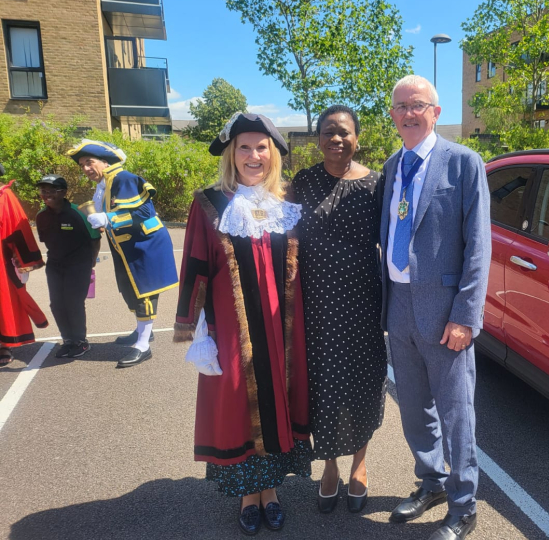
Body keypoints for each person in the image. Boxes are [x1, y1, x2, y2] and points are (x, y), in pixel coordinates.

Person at [173, 113, 312, 536]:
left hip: (281, 328)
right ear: (231, 154)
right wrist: (193, 327)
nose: (254, 155)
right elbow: (195, 263)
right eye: (245, 147)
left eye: (262, 147)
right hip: (233, 329)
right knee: (239, 406)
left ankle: (270, 491)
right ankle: (247, 496)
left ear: (274, 154)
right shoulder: (210, 203)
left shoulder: (285, 201)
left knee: (278, 402)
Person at [381, 75, 491, 540]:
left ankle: (464, 505)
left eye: (418, 104)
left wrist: (466, 316)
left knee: (455, 412)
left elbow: (479, 247)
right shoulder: (391, 166)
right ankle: (432, 481)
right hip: (399, 306)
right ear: (392, 115)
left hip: (445, 311)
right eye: (401, 106)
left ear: (436, 112)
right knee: (413, 407)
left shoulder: (464, 163)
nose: (409, 112)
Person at [292, 105, 387, 514]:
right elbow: (285, 237)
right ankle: (328, 465)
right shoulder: (304, 181)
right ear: (317, 140)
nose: (337, 138)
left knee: (363, 384)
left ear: (357, 138)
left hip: (363, 304)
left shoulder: (377, 185)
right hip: (316, 306)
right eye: (328, 132)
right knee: (324, 388)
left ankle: (360, 464)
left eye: (344, 132)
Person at [67, 140, 178, 368]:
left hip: (144, 244)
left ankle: (143, 345)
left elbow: (143, 213)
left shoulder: (123, 178)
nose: (86, 169)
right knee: (128, 289)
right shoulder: (104, 184)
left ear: (105, 162)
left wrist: (109, 219)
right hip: (124, 246)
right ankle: (142, 331)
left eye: (90, 162)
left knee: (143, 292)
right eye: (82, 165)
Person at [35, 174, 100, 358]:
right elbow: (45, 240)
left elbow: (95, 239)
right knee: (57, 304)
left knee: (73, 303)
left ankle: (80, 341)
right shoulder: (41, 216)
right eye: (43, 191)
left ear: (63, 192)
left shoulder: (78, 213)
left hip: (79, 265)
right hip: (55, 265)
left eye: (51, 191)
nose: (46, 194)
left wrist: (91, 262)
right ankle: (68, 340)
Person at [0, 170, 48, 365]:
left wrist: (24, 260)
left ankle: (3, 344)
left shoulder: (5, 196)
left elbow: (18, 230)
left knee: (3, 301)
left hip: (0, 260)